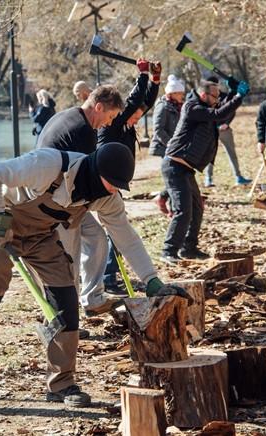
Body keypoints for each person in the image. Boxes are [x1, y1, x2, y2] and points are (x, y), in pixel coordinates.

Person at [0, 143, 188, 416]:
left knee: (66, 303)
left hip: (42, 238)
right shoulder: (48, 165)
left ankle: (61, 383)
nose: (112, 190)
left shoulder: (106, 196)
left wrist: (151, 280)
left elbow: (126, 237)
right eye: (110, 184)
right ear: (95, 171)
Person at [36, 86, 126, 315]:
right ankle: (67, 316)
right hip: (53, 201)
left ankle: (92, 298)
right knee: (70, 258)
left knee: (96, 238)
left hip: (66, 195)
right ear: (98, 107)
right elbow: (85, 178)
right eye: (110, 117)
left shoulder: (71, 115)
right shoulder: (83, 131)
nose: (108, 123)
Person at [160, 78, 248, 265]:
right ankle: (169, 250)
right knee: (183, 210)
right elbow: (218, 113)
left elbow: (222, 112)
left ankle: (189, 248)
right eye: (215, 96)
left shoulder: (205, 108)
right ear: (203, 94)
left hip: (186, 169)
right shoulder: (192, 108)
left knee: (197, 209)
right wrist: (239, 96)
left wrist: (232, 94)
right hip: (174, 166)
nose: (218, 99)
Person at [96, 58, 160, 295]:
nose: (137, 117)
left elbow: (145, 104)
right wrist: (142, 74)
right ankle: (108, 278)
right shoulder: (112, 124)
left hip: (115, 181)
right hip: (102, 180)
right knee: (113, 230)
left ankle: (110, 275)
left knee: (117, 229)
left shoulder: (126, 125)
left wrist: (155, 80)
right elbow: (134, 100)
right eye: (133, 115)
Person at [204, 81, 251, 187]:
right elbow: (213, 112)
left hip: (225, 129)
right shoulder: (207, 99)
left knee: (231, 153)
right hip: (212, 130)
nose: (216, 89)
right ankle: (208, 178)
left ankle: (238, 176)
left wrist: (226, 123)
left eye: (216, 86)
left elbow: (230, 109)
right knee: (210, 155)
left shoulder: (225, 96)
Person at [149, 74, 186, 157]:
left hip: (171, 148)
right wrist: (171, 144)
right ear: (172, 93)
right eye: (180, 93)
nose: (182, 96)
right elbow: (158, 129)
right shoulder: (162, 106)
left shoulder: (178, 107)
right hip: (161, 149)